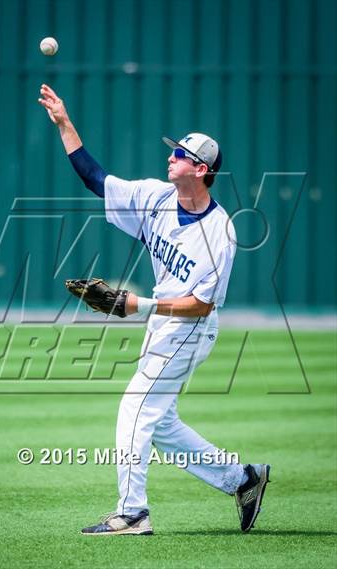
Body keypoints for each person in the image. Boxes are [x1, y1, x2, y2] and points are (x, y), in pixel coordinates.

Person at [38, 84, 270, 536]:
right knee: (160, 422)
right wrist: (65, 123)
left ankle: (132, 513)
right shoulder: (156, 197)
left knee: (135, 407)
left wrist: (136, 304)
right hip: (164, 321)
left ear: (201, 170)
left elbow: (201, 305)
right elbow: (95, 178)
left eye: (180, 154)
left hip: (190, 327)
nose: (171, 157)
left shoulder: (219, 232)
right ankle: (243, 479)